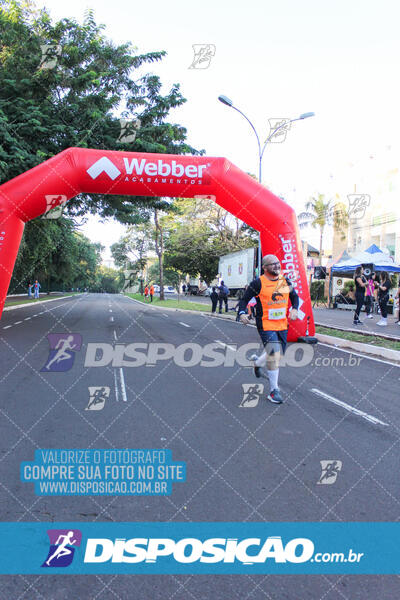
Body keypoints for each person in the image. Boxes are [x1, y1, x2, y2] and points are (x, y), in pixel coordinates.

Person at [238, 254, 299, 404]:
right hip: (265, 323)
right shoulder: (258, 283)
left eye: (278, 263)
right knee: (274, 354)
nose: (277, 266)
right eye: (272, 264)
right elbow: (244, 299)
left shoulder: (284, 281)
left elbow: (294, 297)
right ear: (264, 267)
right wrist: (242, 313)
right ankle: (274, 391)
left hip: (282, 324)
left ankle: (257, 363)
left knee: (278, 353)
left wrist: (295, 309)